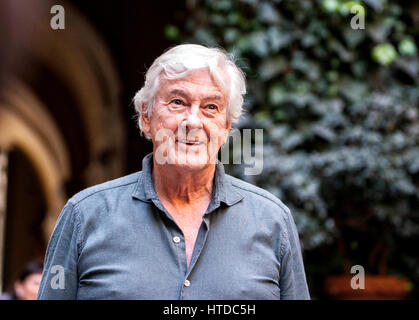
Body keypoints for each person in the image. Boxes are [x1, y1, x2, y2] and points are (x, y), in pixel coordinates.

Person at [37, 44, 310, 300]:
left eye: (211, 107)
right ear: (146, 116)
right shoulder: (84, 216)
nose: (192, 121)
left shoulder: (273, 221)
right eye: (178, 102)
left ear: (226, 128)